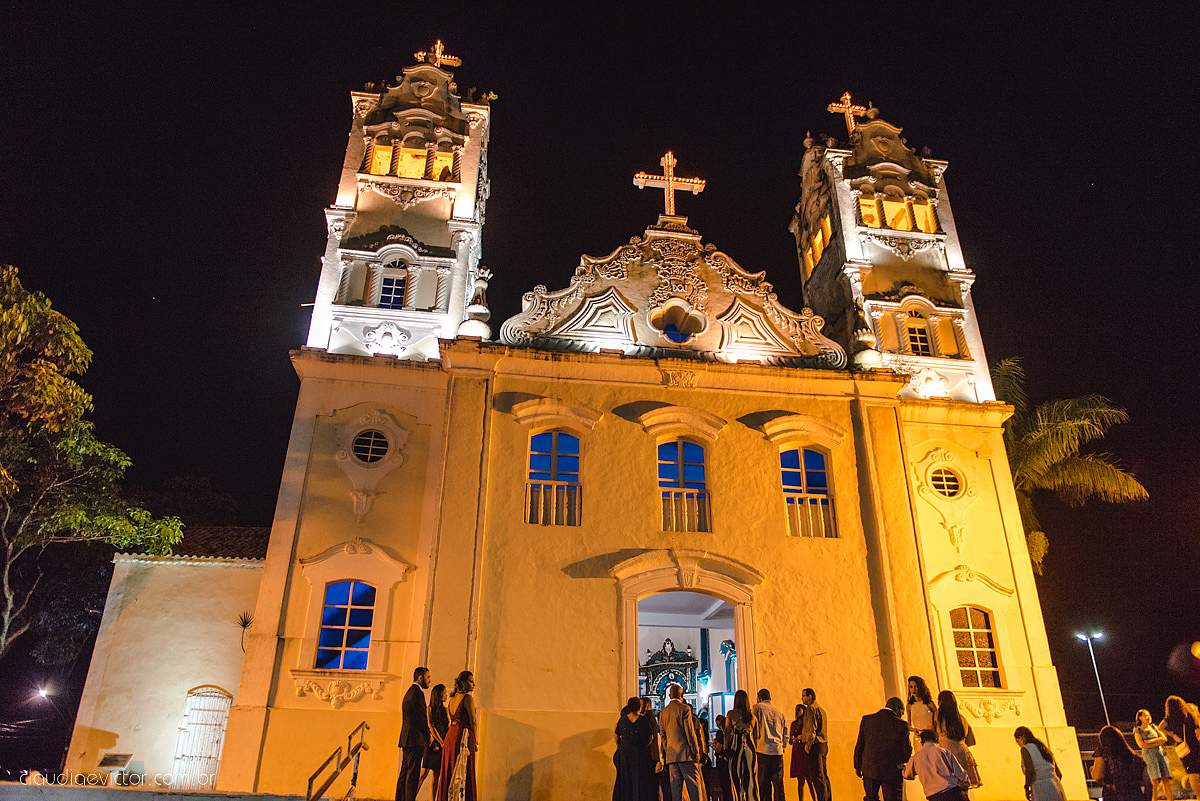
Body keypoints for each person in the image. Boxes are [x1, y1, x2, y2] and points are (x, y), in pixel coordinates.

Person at [854, 697, 912, 801]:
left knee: (871, 798)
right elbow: (906, 752)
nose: (901, 716)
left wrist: (857, 765)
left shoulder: (867, 720)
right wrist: (902, 761)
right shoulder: (901, 725)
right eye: (902, 713)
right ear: (898, 709)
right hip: (891, 770)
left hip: (869, 768)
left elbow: (860, 745)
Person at [437, 670, 477, 801]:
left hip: (451, 735)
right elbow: (472, 721)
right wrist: (475, 740)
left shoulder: (452, 699)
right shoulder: (468, 699)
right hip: (462, 735)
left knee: (449, 768)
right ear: (463, 683)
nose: (474, 684)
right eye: (471, 681)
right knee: (464, 769)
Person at [660, 684, 705, 801]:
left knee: (675, 791)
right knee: (694, 788)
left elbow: (663, 736)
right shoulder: (684, 709)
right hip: (686, 755)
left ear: (669, 695)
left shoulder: (663, 712)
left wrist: (667, 752)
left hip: (672, 756)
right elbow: (689, 732)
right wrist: (696, 751)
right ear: (681, 695)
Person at [398, 666, 432, 801]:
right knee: (413, 773)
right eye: (428, 677)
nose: (429, 680)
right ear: (420, 677)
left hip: (407, 738)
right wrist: (428, 735)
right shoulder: (417, 693)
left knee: (404, 772)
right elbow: (421, 718)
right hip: (415, 739)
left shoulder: (409, 692)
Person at [1091, 724, 1151, 801]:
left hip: (1113, 795)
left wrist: (1092, 770)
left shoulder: (1103, 752)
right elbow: (1147, 782)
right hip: (1134, 795)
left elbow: (1098, 776)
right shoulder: (1132, 756)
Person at [904, 729, 967, 801]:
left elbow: (907, 775)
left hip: (934, 797)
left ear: (922, 742)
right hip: (953, 792)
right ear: (936, 739)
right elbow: (960, 773)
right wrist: (965, 786)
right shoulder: (944, 752)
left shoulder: (915, 758)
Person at [935, 691, 981, 788]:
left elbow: (931, 731)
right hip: (962, 753)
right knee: (964, 786)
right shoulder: (961, 718)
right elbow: (971, 740)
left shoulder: (938, 717)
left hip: (946, 753)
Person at [614, 696, 657, 801]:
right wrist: (645, 746)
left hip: (625, 752)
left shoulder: (623, 720)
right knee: (639, 778)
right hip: (639, 752)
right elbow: (650, 737)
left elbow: (616, 734)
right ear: (639, 707)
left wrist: (620, 745)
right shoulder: (643, 720)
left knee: (626, 777)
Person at [1160, 696, 1200, 801]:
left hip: (1184, 749)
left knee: (1192, 774)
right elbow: (1197, 728)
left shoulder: (1169, 718)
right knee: (1197, 773)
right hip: (1195, 746)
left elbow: (1160, 728)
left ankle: (1198, 796)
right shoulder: (1188, 715)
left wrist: (1172, 735)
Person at [752, 689, 787, 801]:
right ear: (770, 698)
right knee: (779, 784)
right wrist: (783, 746)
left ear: (759, 698)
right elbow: (785, 733)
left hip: (763, 749)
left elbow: (753, 727)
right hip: (777, 751)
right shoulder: (779, 711)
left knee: (764, 784)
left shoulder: (757, 708)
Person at [1014, 726, 1066, 801]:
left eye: (1017, 740)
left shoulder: (1025, 749)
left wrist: (1027, 787)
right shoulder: (1043, 748)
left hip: (1040, 788)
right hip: (1055, 785)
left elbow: (1030, 771)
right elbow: (1059, 774)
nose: (1018, 744)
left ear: (1022, 738)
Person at [1132, 709, 1173, 801]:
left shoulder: (1153, 727)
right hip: (1150, 756)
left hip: (1160, 754)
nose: (1148, 717)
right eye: (1146, 715)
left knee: (1165, 779)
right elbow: (1142, 745)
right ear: (1140, 717)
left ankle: (1170, 799)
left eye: (1149, 715)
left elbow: (1164, 738)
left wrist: (1151, 741)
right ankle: (1154, 799)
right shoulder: (1138, 730)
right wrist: (1157, 743)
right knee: (1154, 781)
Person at [724, 690, 758, 801]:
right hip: (750, 747)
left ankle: (738, 798)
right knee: (751, 777)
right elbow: (757, 735)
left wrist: (726, 748)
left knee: (735, 775)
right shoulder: (753, 717)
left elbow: (727, 733)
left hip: (736, 746)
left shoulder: (731, 714)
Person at [800, 688, 830, 801]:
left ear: (810, 696)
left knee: (817, 776)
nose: (802, 698)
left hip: (815, 745)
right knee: (824, 775)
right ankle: (827, 798)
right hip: (824, 744)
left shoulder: (811, 709)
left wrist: (808, 745)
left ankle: (822, 799)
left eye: (803, 696)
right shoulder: (821, 709)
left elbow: (811, 728)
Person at [421, 683, 449, 801]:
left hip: (442, 743)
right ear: (439, 695)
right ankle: (411, 796)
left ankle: (432, 798)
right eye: (444, 693)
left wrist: (445, 741)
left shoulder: (444, 710)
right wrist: (441, 741)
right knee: (424, 772)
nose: (446, 695)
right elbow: (431, 726)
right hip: (433, 744)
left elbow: (447, 726)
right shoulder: (430, 709)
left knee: (437, 773)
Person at [789, 703, 810, 801]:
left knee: (809, 778)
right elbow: (790, 741)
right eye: (796, 710)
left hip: (804, 751)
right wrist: (792, 739)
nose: (797, 712)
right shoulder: (794, 724)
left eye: (799, 710)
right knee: (800, 779)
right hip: (797, 751)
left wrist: (802, 738)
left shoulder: (807, 724)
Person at [714, 714, 733, 801]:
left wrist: (712, 746)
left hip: (722, 761)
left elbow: (718, 749)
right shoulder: (731, 733)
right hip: (729, 760)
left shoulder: (720, 734)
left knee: (724, 784)